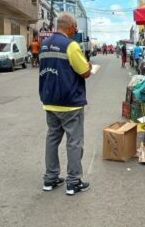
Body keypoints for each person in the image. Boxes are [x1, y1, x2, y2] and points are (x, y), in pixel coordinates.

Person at [39, 12, 91, 196]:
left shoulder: (44, 45)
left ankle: (50, 178)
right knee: (74, 142)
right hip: (70, 103)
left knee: (52, 139)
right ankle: (73, 182)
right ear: (69, 27)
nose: (75, 31)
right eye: (75, 28)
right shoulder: (71, 45)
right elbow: (84, 71)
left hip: (50, 101)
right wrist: (89, 66)